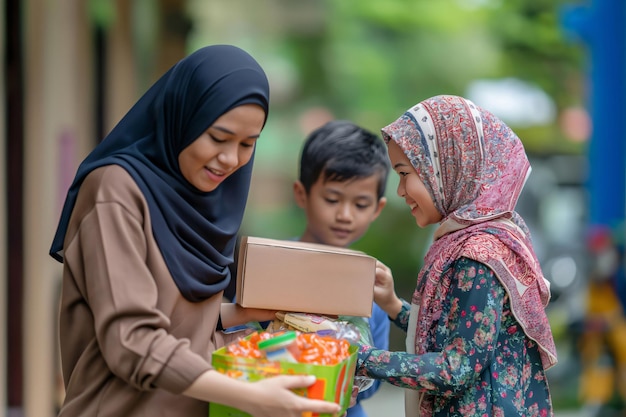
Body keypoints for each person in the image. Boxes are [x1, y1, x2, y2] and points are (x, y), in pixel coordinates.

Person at [49, 44, 342, 417]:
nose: (230, 159)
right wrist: (251, 396)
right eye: (218, 138)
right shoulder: (114, 191)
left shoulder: (204, 203)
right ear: (183, 118)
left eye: (247, 144)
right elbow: (131, 341)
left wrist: (248, 315)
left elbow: (182, 327)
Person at [355, 95, 558, 416]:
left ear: (447, 169)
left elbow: (457, 367)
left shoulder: (477, 256)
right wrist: (393, 305)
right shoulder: (471, 240)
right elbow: (462, 330)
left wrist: (361, 359)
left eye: (405, 173)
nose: (400, 190)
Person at [292, 120, 391, 417]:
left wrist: (350, 380)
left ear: (377, 208)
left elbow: (378, 376)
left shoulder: (373, 284)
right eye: (332, 199)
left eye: (360, 204)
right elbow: (235, 337)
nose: (345, 215)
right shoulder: (269, 265)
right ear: (301, 194)